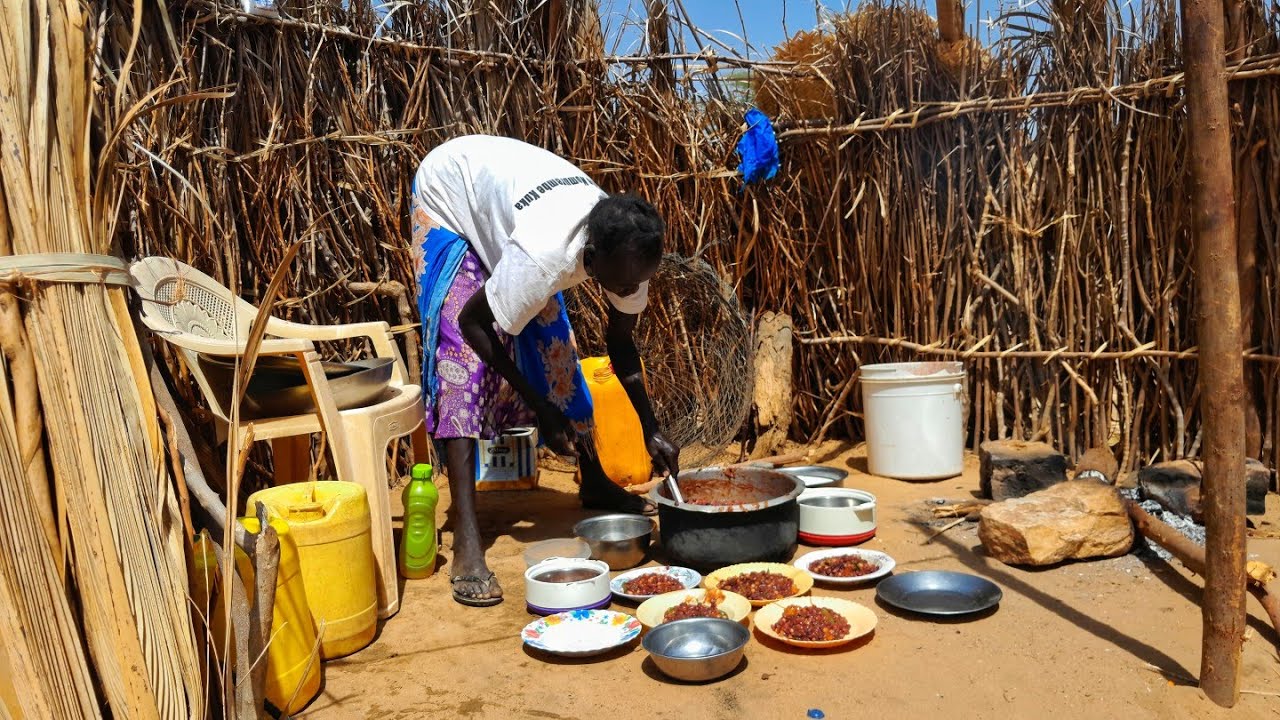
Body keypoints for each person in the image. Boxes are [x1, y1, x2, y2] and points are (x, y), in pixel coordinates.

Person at [411, 135, 681, 606]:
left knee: (557, 350)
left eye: (638, 282)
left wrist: (650, 429)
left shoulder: (627, 249)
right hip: (451, 195)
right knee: (462, 362)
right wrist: (540, 407)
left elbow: (620, 343)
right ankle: (468, 541)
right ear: (591, 262)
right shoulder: (547, 256)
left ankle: (594, 479)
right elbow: (472, 323)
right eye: (622, 283)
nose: (630, 290)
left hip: (513, 209)